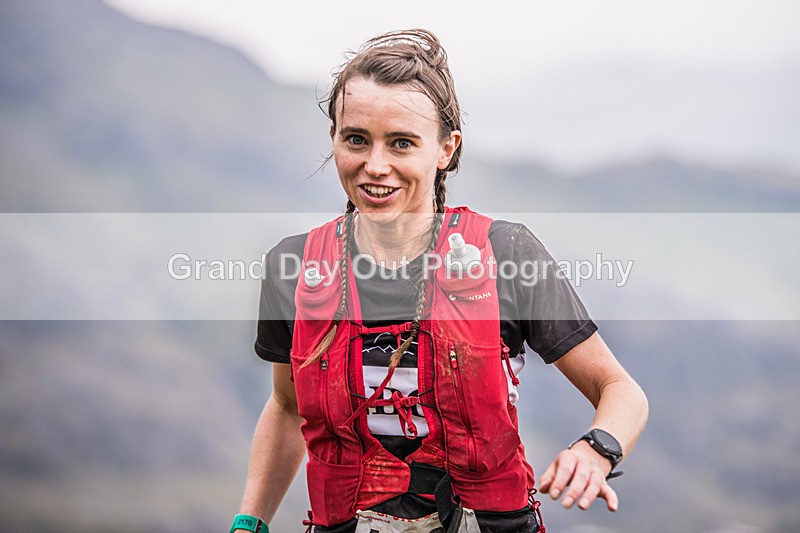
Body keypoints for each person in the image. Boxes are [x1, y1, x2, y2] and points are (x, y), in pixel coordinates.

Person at [232, 29, 648, 533]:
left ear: (446, 149)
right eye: (356, 139)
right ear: (334, 139)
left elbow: (619, 390)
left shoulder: (504, 254)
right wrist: (249, 522)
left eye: (402, 143)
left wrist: (596, 450)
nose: (375, 165)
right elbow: (286, 407)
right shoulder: (293, 267)